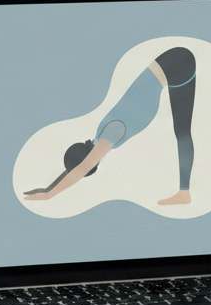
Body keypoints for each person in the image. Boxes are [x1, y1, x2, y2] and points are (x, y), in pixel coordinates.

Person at [24, 46, 196, 205]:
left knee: (182, 133)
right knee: (182, 132)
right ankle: (184, 193)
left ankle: (184, 193)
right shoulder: (103, 136)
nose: (96, 164)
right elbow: (80, 166)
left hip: (175, 66)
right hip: (173, 66)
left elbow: (82, 167)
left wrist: (50, 195)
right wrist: (48, 188)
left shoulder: (110, 135)